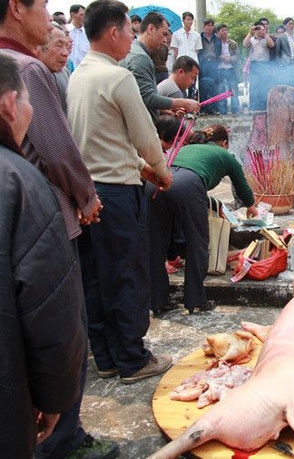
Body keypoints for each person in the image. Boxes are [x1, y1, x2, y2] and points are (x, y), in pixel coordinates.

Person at [0, 1, 114, 454]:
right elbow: (58, 149)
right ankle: (63, 439)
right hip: (41, 220)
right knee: (61, 326)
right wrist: (86, 197)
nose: (49, 17)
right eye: (44, 5)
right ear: (16, 7)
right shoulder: (24, 68)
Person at [67, 0, 174, 385]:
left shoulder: (79, 75)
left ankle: (107, 358)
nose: (133, 37)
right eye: (130, 29)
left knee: (96, 277)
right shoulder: (118, 77)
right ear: (114, 33)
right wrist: (161, 170)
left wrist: (142, 166)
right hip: (117, 194)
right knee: (126, 275)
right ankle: (132, 359)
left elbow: (103, 137)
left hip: (88, 193)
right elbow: (145, 135)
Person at [0, 53, 88, 459]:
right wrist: (55, 398)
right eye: (28, 102)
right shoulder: (20, 182)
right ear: (9, 105)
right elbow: (51, 310)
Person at [151, 122, 257, 315]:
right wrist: (251, 206)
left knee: (156, 243)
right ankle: (196, 301)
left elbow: (183, 178)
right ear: (224, 143)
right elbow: (241, 185)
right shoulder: (225, 155)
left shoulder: (186, 148)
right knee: (197, 242)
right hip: (187, 186)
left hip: (156, 182)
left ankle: (158, 301)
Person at [120, 12, 200, 120]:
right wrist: (184, 103)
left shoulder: (135, 51)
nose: (165, 40)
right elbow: (147, 98)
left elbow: (138, 100)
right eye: (164, 34)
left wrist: (163, 111)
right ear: (151, 29)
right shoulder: (140, 57)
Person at [243, 22, 274, 111]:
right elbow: (245, 44)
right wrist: (250, 32)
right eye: (258, 29)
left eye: (262, 29)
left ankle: (264, 107)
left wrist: (265, 34)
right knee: (254, 86)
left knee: (264, 86)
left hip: (265, 65)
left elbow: (272, 45)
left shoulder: (266, 39)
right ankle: (253, 107)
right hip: (254, 65)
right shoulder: (251, 39)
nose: (260, 31)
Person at [170, 11, 202, 98]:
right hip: (181, 63)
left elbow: (197, 50)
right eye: (188, 19)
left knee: (192, 86)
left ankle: (191, 102)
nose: (190, 22)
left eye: (191, 20)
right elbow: (175, 51)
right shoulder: (176, 34)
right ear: (183, 20)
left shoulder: (196, 35)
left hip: (193, 63)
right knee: (180, 86)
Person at [198, 18, 220, 114]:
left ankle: (214, 108)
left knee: (214, 86)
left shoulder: (217, 39)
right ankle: (203, 109)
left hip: (214, 64)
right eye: (208, 25)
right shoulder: (199, 38)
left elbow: (219, 51)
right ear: (204, 27)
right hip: (202, 64)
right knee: (203, 86)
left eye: (211, 25)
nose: (210, 27)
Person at [217, 23, 240, 114]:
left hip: (231, 69)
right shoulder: (216, 43)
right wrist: (221, 58)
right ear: (218, 32)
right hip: (220, 69)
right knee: (221, 90)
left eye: (226, 30)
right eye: (222, 30)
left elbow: (237, 56)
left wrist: (230, 59)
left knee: (233, 89)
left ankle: (235, 111)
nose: (224, 32)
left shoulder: (233, 43)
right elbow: (214, 55)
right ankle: (223, 111)